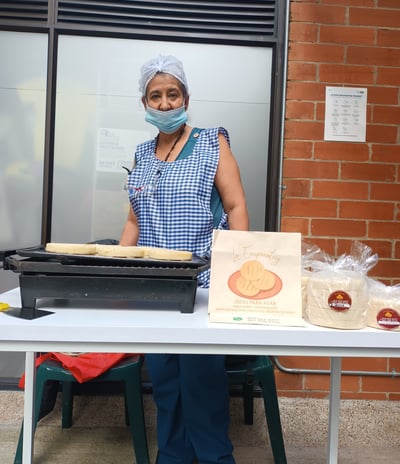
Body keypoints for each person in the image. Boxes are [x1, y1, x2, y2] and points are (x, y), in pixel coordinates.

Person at [120, 54, 249, 464]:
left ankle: (214, 458)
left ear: (186, 98)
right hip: (156, 290)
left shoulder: (212, 142)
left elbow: (236, 207)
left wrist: (237, 276)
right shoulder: (142, 153)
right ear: (144, 103)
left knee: (201, 383)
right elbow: (133, 220)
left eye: (172, 94)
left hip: (205, 288)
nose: (164, 103)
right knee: (165, 384)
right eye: (155, 96)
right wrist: (116, 275)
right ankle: (172, 457)